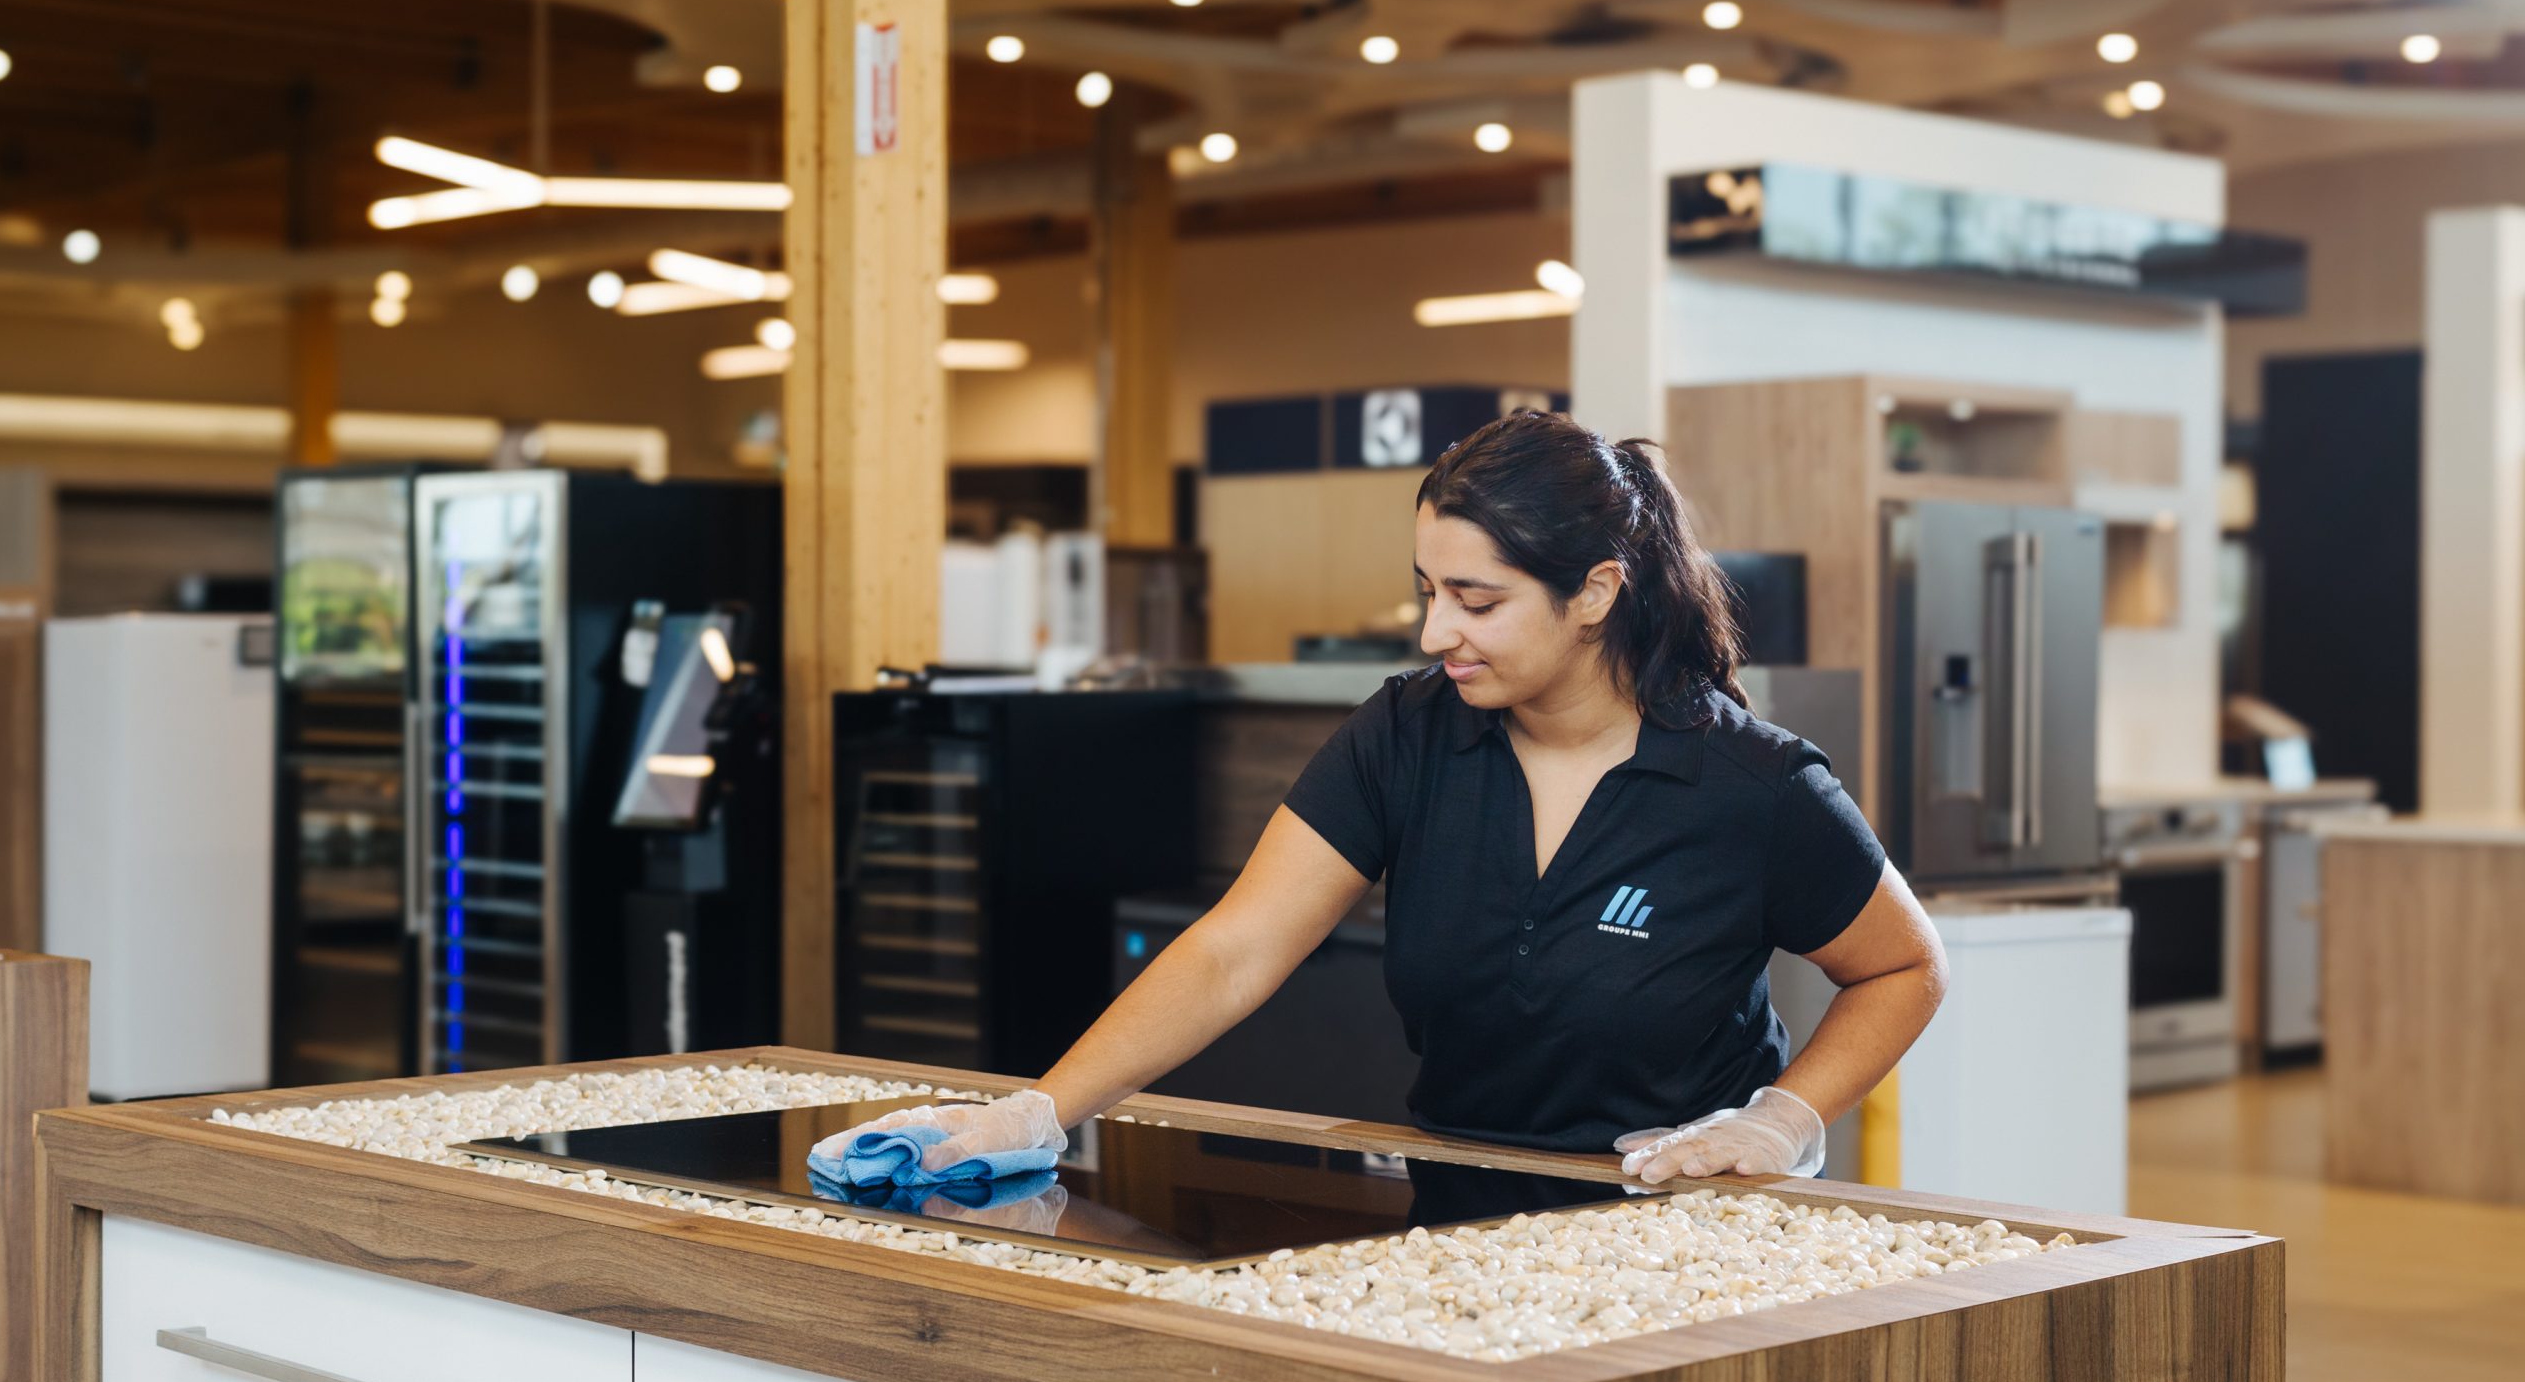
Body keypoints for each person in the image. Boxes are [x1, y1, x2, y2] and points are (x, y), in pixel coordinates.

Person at [821, 409, 1946, 1196]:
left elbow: (1903, 966)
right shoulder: (1408, 733)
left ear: (1596, 590)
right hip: (1452, 1198)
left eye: (1476, 599)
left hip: (1679, 1226)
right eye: (1426, 592)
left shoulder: (1750, 784)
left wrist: (1781, 1120)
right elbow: (1235, 951)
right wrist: (1041, 1110)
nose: (1433, 631)